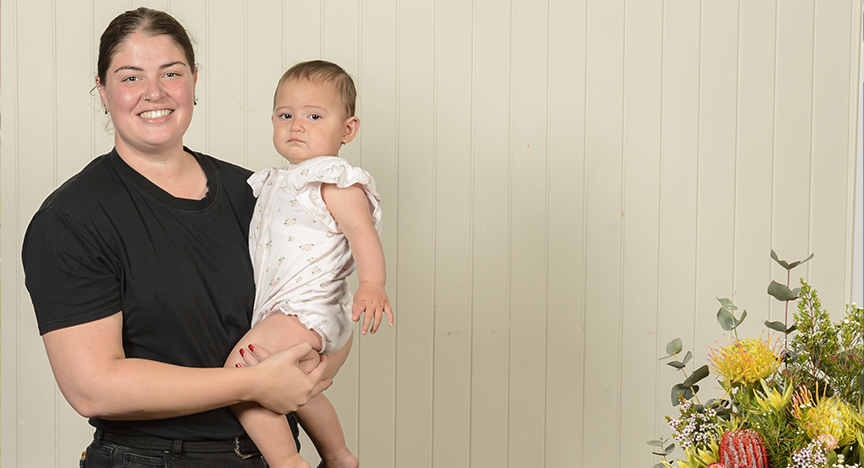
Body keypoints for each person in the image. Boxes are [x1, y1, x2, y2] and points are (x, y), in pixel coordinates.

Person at [21, 7, 331, 467]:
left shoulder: (261, 195)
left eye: (171, 73)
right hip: (149, 459)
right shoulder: (71, 220)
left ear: (194, 80)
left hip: (271, 456)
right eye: (130, 78)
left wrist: (315, 369)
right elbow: (92, 388)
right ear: (102, 90)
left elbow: (317, 294)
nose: (154, 92)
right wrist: (253, 383)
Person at [223, 60, 394, 468]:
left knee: (240, 376)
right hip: (294, 309)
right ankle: (339, 456)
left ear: (347, 130)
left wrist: (372, 284)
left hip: (307, 308)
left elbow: (361, 230)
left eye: (314, 116)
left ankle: (286, 461)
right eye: (286, 116)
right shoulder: (280, 180)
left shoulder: (334, 178)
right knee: (301, 390)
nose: (297, 125)